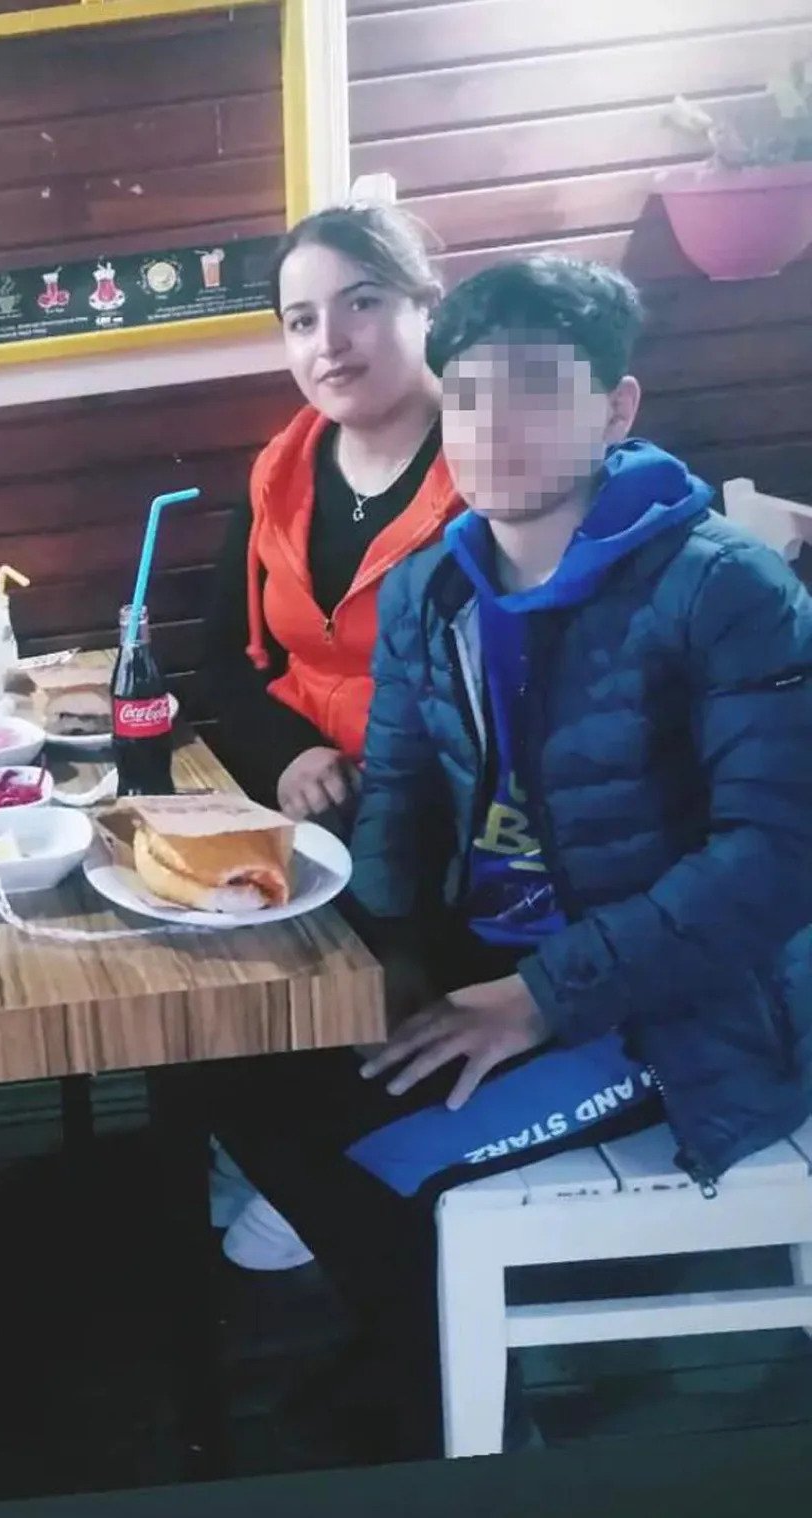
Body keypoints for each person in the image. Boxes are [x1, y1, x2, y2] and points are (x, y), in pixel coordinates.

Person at [211, 255, 812, 1461]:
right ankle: (416, 1365)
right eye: (470, 394)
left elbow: (774, 860)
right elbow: (397, 804)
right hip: (492, 959)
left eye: (537, 389)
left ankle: (466, 1434)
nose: (493, 426)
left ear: (616, 406)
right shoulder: (434, 586)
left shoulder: (722, 588)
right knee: (244, 1075)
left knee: (373, 1157)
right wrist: (385, 960)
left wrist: (538, 997)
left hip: (682, 1008)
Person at [200, 202, 462, 828]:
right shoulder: (279, 470)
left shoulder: (499, 464)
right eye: (302, 321)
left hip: (451, 822)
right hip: (305, 817)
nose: (330, 342)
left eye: (361, 303)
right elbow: (225, 659)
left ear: (425, 305)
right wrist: (289, 757)